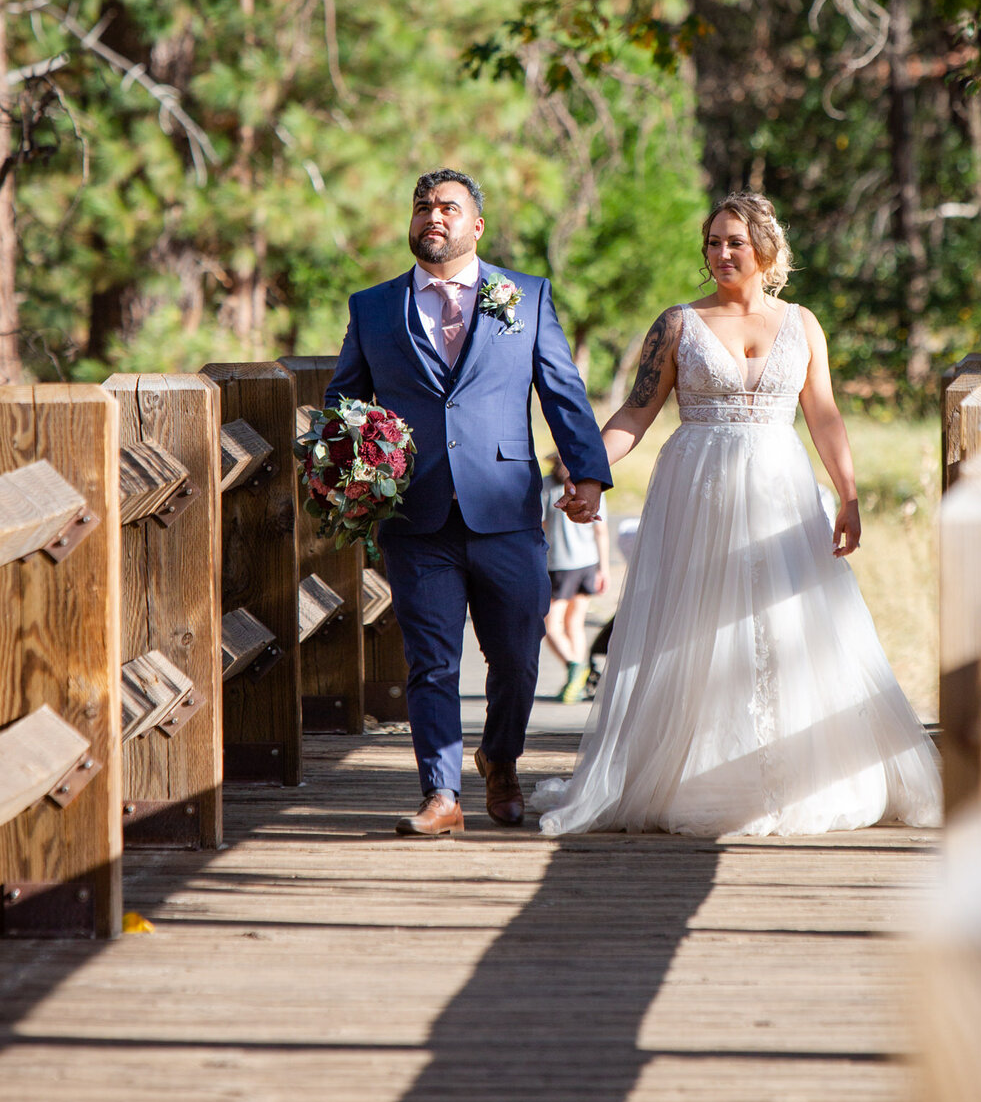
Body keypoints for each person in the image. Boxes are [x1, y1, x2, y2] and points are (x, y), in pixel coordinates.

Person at [532, 191, 942, 838]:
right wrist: (590, 473)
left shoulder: (802, 324)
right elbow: (638, 411)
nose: (720, 254)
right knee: (700, 625)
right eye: (712, 243)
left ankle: (798, 771)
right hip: (698, 490)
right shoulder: (677, 324)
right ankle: (697, 772)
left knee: (789, 621)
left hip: (782, 488)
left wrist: (850, 496)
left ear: (766, 251)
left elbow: (825, 415)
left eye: (734, 243)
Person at [325, 170, 610, 837]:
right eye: (423, 205)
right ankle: (442, 794)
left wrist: (588, 475)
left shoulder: (526, 296)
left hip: (506, 507)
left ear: (475, 225)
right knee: (432, 660)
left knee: (516, 656)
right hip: (414, 514)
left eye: (449, 207)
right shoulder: (372, 307)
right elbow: (346, 401)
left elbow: (562, 391)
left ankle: (500, 758)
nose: (434, 216)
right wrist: (350, 470)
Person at [540, 454, 609, 703]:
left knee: (550, 624)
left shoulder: (547, 486)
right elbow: (601, 530)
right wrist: (604, 568)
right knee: (574, 624)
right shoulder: (591, 484)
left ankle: (575, 668)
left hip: (559, 564)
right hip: (588, 562)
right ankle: (576, 680)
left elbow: (541, 526)